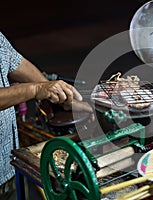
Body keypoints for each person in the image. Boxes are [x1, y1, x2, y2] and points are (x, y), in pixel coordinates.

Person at [0, 32, 93, 199]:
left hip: (7, 165)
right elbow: (37, 88)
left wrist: (63, 99)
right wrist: (36, 89)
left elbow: (16, 63)